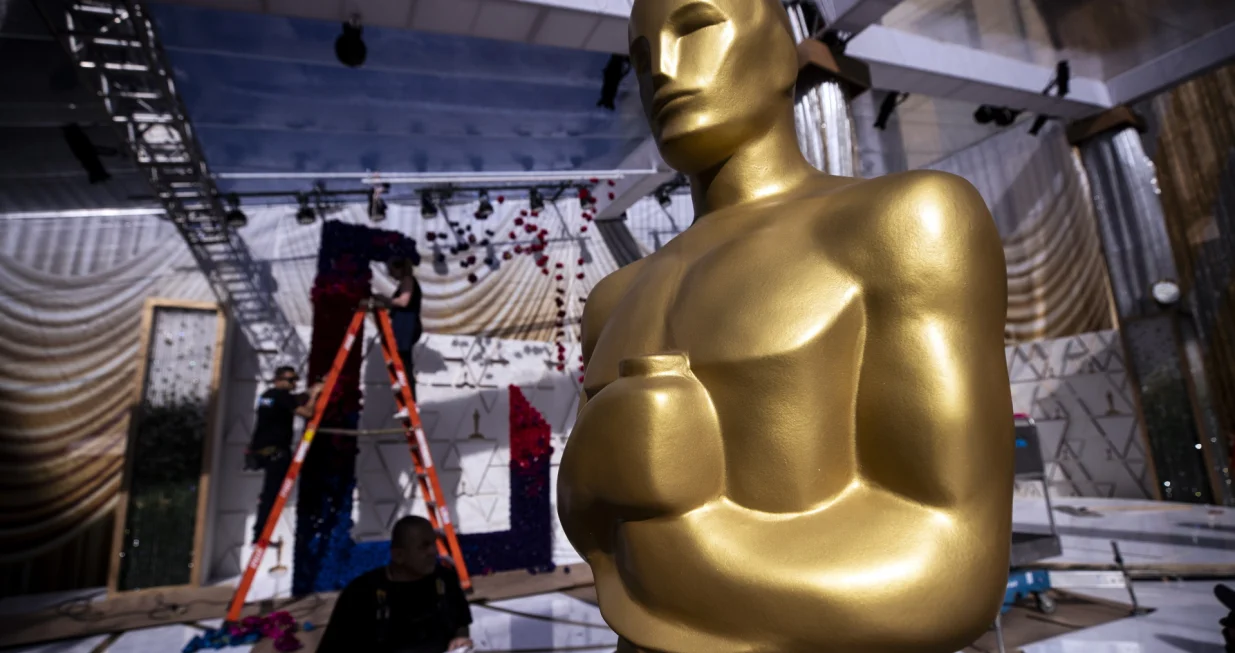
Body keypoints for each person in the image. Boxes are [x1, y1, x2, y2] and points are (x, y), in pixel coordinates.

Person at [317, 516, 473, 653]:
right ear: (398, 555)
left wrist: (460, 638)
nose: (433, 551)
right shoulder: (361, 592)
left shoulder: (445, 580)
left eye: (433, 544)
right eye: (423, 546)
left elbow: (461, 621)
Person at [245, 365, 322, 543]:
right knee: (272, 495)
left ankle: (259, 531)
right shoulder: (282, 396)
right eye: (291, 380)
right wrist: (315, 396)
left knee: (268, 494)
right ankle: (260, 534)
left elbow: (294, 400)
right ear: (278, 380)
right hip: (276, 453)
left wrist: (311, 390)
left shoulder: (268, 396)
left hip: (262, 451)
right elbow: (308, 413)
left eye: (296, 379)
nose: (294, 383)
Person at [386, 257, 423, 399]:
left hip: (407, 324)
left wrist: (386, 300)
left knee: (404, 360)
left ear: (399, 268)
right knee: (403, 360)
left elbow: (404, 301)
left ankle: (409, 396)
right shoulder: (406, 281)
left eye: (391, 270)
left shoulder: (408, 280)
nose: (390, 273)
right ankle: (408, 393)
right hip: (405, 324)